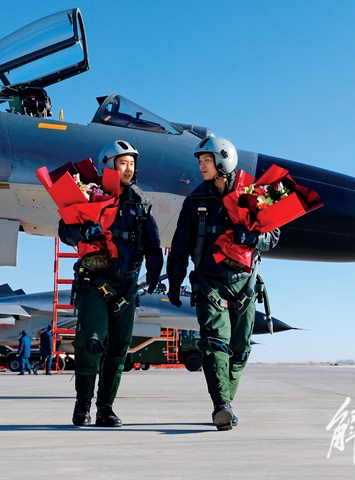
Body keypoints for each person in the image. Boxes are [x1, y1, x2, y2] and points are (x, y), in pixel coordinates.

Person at [167, 137, 280, 430]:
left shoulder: (252, 195)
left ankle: (226, 401)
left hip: (245, 284)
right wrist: (174, 282)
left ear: (224, 160)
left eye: (207, 160)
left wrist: (254, 238)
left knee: (240, 349)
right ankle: (221, 405)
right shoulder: (195, 202)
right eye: (200, 161)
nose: (201, 166)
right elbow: (179, 247)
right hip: (210, 283)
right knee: (215, 342)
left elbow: (273, 237)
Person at [59, 140, 163, 427]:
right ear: (109, 164)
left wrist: (155, 272)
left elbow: (153, 245)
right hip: (94, 282)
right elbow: (64, 231)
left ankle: (105, 408)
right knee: (91, 342)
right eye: (123, 162)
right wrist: (84, 230)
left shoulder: (140, 204)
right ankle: (83, 404)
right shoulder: (88, 195)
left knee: (118, 348)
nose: (128, 168)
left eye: (132, 163)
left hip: (127, 286)